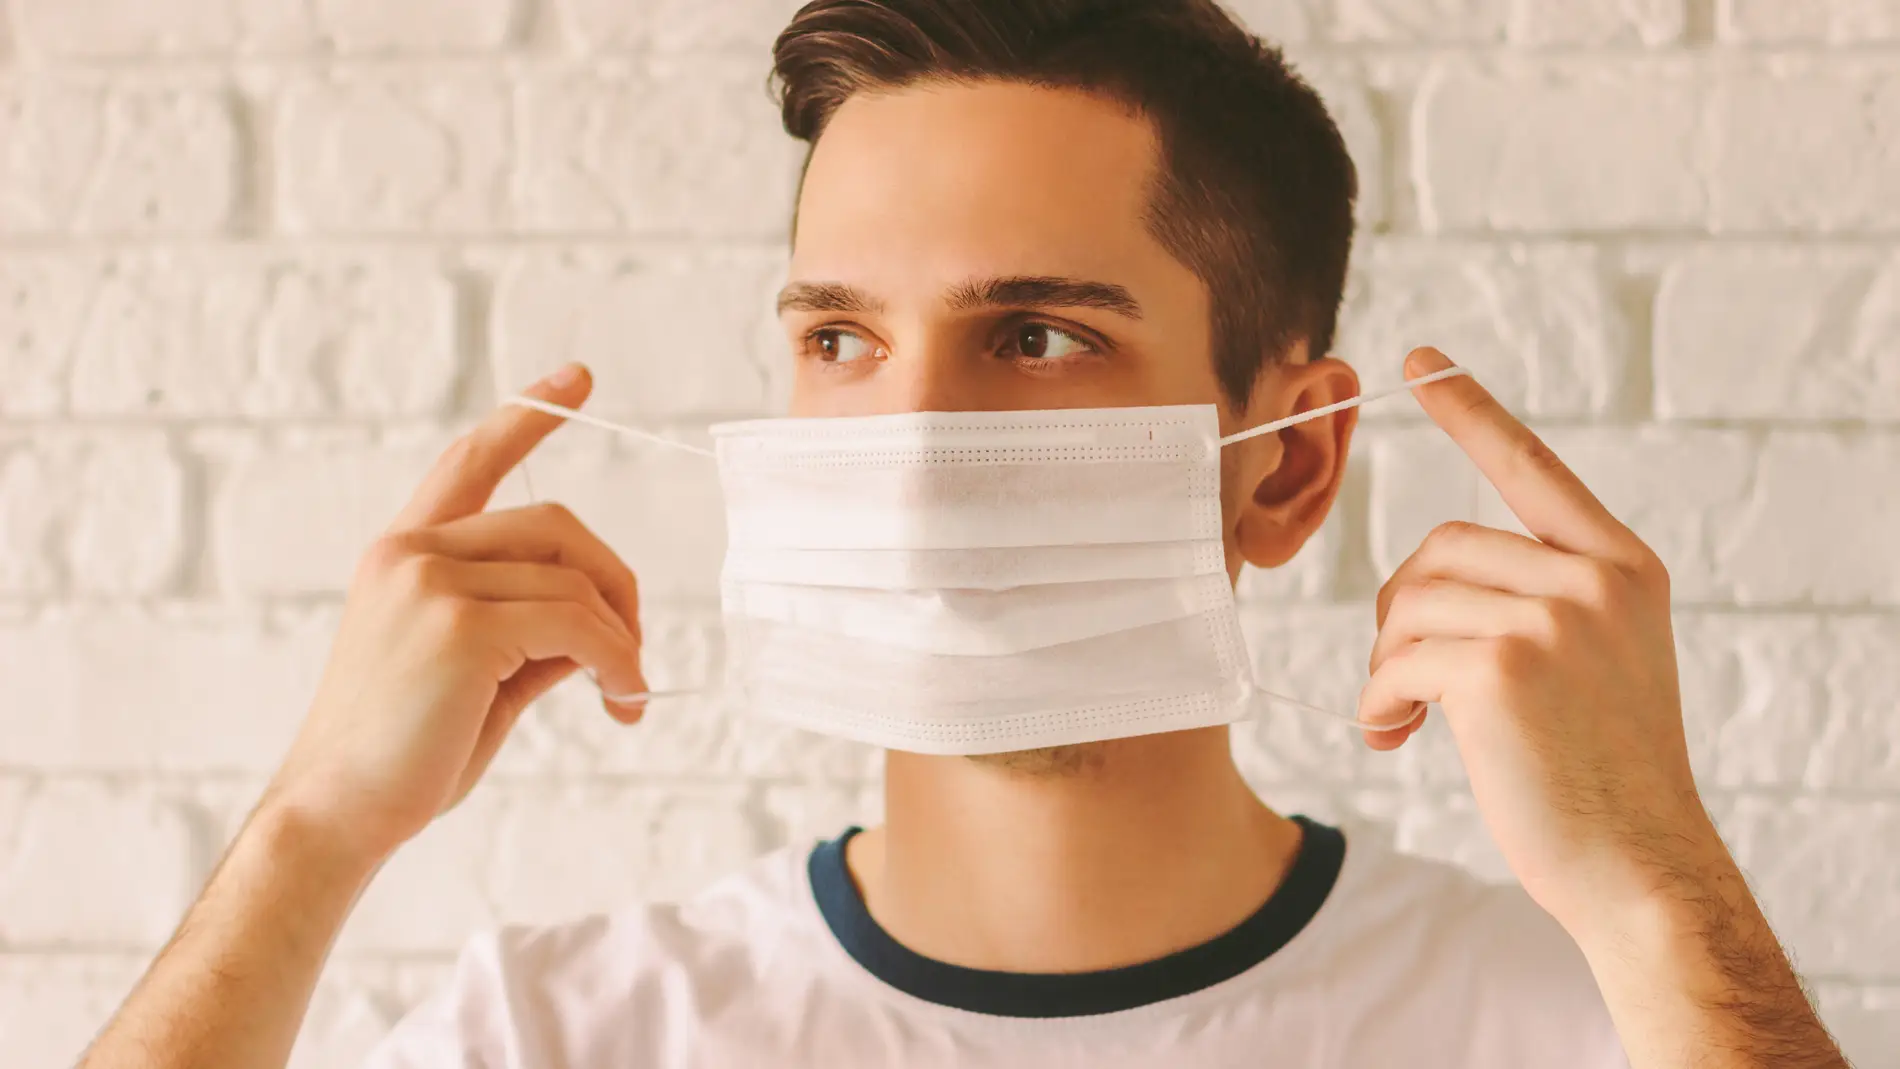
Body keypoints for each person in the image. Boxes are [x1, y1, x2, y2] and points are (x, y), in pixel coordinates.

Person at [79, 1, 1848, 1067]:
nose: (910, 445)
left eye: (1039, 337)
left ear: (1287, 468)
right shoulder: (565, 1035)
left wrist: (1658, 888)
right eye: (839, 339)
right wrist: (309, 833)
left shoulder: (1592, 1024)